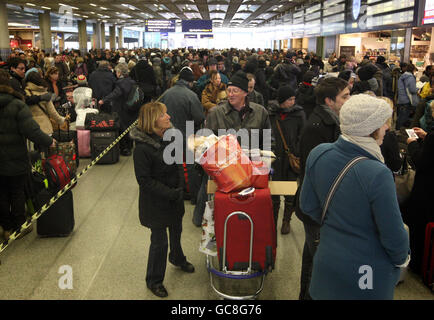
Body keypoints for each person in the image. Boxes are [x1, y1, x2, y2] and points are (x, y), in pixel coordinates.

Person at [299, 94, 410, 300]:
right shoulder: (378, 173)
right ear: (371, 128)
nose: (387, 127)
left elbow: (307, 206)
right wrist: (402, 259)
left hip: (327, 261)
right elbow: (393, 236)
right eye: (383, 122)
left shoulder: (319, 153)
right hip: (366, 272)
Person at [131, 101, 194, 298]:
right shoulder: (142, 149)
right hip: (155, 203)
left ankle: (177, 257)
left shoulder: (170, 137)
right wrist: (171, 193)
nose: (169, 117)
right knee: (159, 242)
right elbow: (145, 181)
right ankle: (154, 280)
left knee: (176, 230)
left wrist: (182, 187)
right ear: (153, 121)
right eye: (164, 115)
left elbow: (178, 163)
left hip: (174, 196)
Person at [193, 70, 272, 226]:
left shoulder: (260, 113)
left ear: (245, 92)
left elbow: (269, 141)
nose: (230, 94)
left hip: (250, 172)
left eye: (235, 90)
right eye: (228, 90)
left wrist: (266, 163)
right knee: (220, 211)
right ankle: (200, 219)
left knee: (247, 211)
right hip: (223, 174)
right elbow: (205, 144)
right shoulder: (216, 113)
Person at [296, 77, 351, 300]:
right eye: (345, 97)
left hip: (321, 208)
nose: (349, 100)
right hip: (318, 209)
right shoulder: (316, 128)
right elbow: (316, 174)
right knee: (318, 264)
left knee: (312, 257)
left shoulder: (333, 122)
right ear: (329, 101)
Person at [0, 69, 55, 241]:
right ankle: (19, 227)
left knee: (1, 194)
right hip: (16, 158)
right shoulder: (17, 104)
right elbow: (31, 130)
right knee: (17, 193)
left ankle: (5, 227)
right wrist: (48, 141)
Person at [160, 67, 205, 204]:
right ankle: (193, 195)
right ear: (190, 82)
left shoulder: (166, 93)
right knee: (187, 166)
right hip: (185, 135)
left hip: (168, 134)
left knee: (173, 164)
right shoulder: (191, 95)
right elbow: (199, 117)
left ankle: (176, 190)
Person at [268, 85, 306, 235]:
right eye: (290, 99)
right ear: (282, 100)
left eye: (293, 99)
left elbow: (302, 135)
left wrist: (296, 152)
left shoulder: (299, 114)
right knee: (274, 192)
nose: (293, 101)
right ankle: (273, 219)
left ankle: (286, 220)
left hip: (291, 159)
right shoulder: (271, 114)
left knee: (290, 191)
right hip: (275, 159)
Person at [402, 126, 434, 276]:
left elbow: (422, 161)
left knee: (418, 224)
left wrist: (412, 144)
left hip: (426, 190)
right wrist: (426, 137)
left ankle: (417, 264)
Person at [98, 63, 136, 156]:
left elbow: (115, 94)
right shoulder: (131, 81)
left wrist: (103, 100)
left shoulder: (121, 83)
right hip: (131, 108)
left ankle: (125, 149)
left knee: (122, 128)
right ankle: (130, 145)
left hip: (122, 108)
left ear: (119, 72)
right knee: (129, 127)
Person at [25, 71, 67, 137]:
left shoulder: (25, 93)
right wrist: (62, 120)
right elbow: (52, 112)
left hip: (29, 128)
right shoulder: (44, 93)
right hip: (44, 128)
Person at [397, 63, 419, 129]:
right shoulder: (410, 77)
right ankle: (398, 132)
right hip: (407, 100)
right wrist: (417, 89)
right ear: (413, 70)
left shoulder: (403, 76)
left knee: (401, 117)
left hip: (401, 99)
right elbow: (412, 90)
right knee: (403, 118)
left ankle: (397, 131)